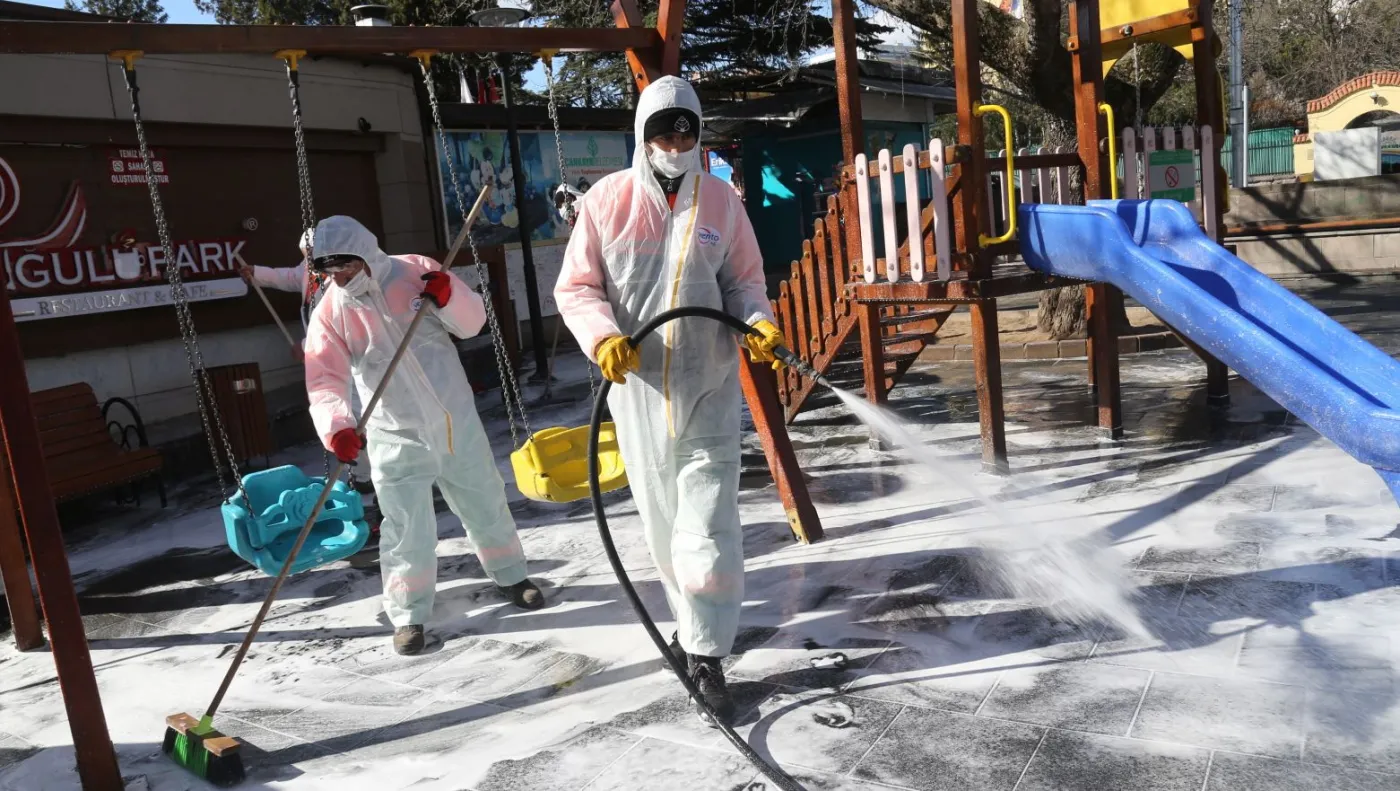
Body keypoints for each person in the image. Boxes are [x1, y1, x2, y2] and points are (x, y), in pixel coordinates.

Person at [554, 76, 786, 726]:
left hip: (709, 383)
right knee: (662, 528)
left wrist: (759, 320)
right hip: (640, 390)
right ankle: (688, 631)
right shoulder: (607, 203)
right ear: (643, 135)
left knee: (709, 530)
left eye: (688, 130)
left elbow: (744, 280)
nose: (677, 142)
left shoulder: (721, 201)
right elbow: (577, 288)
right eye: (665, 130)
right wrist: (602, 338)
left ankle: (708, 653)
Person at [303, 215, 545, 656]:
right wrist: (337, 427)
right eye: (331, 272)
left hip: (455, 422)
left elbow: (471, 324)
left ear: (366, 256)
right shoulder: (331, 313)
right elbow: (324, 380)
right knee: (404, 527)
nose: (340, 278)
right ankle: (408, 613)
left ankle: (512, 576)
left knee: (485, 502)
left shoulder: (414, 271)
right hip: (395, 434)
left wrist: (450, 297)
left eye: (348, 268)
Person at [237, 236, 383, 546]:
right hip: (328, 363)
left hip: (353, 362)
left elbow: (338, 323)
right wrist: (257, 272)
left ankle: (377, 487)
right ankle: (364, 478)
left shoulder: (341, 280)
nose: (307, 263)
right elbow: (287, 277)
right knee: (344, 421)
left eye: (311, 256)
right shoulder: (309, 272)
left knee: (360, 422)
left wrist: (306, 346)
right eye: (304, 256)